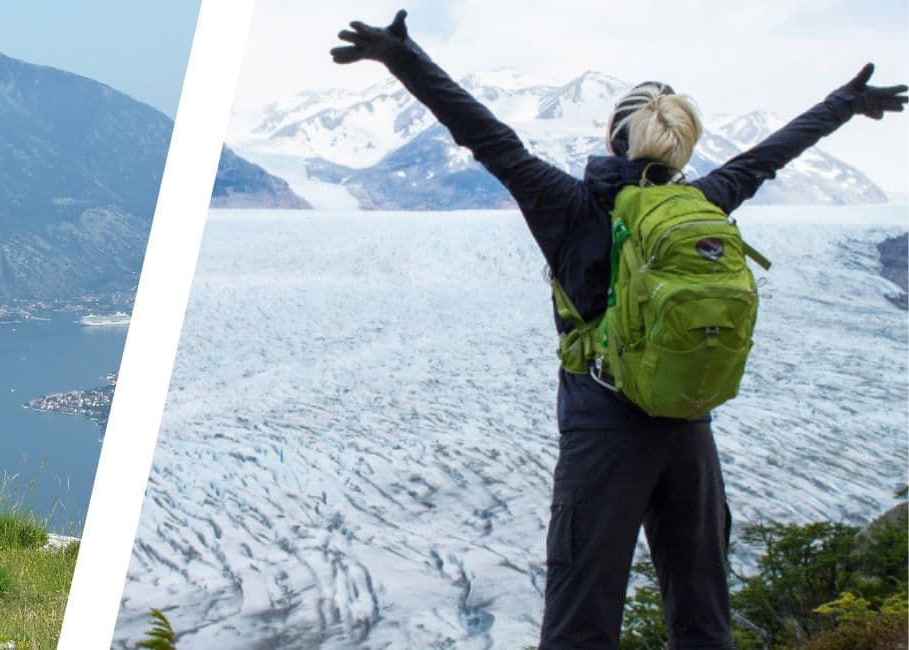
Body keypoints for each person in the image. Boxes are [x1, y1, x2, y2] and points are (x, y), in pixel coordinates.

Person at [330, 9, 907, 649]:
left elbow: (487, 138)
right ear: (679, 146)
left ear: (614, 137)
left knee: (582, 623)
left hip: (603, 436)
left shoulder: (568, 205)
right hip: (689, 428)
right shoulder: (705, 202)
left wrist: (402, 57)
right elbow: (768, 156)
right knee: (703, 619)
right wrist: (845, 102)